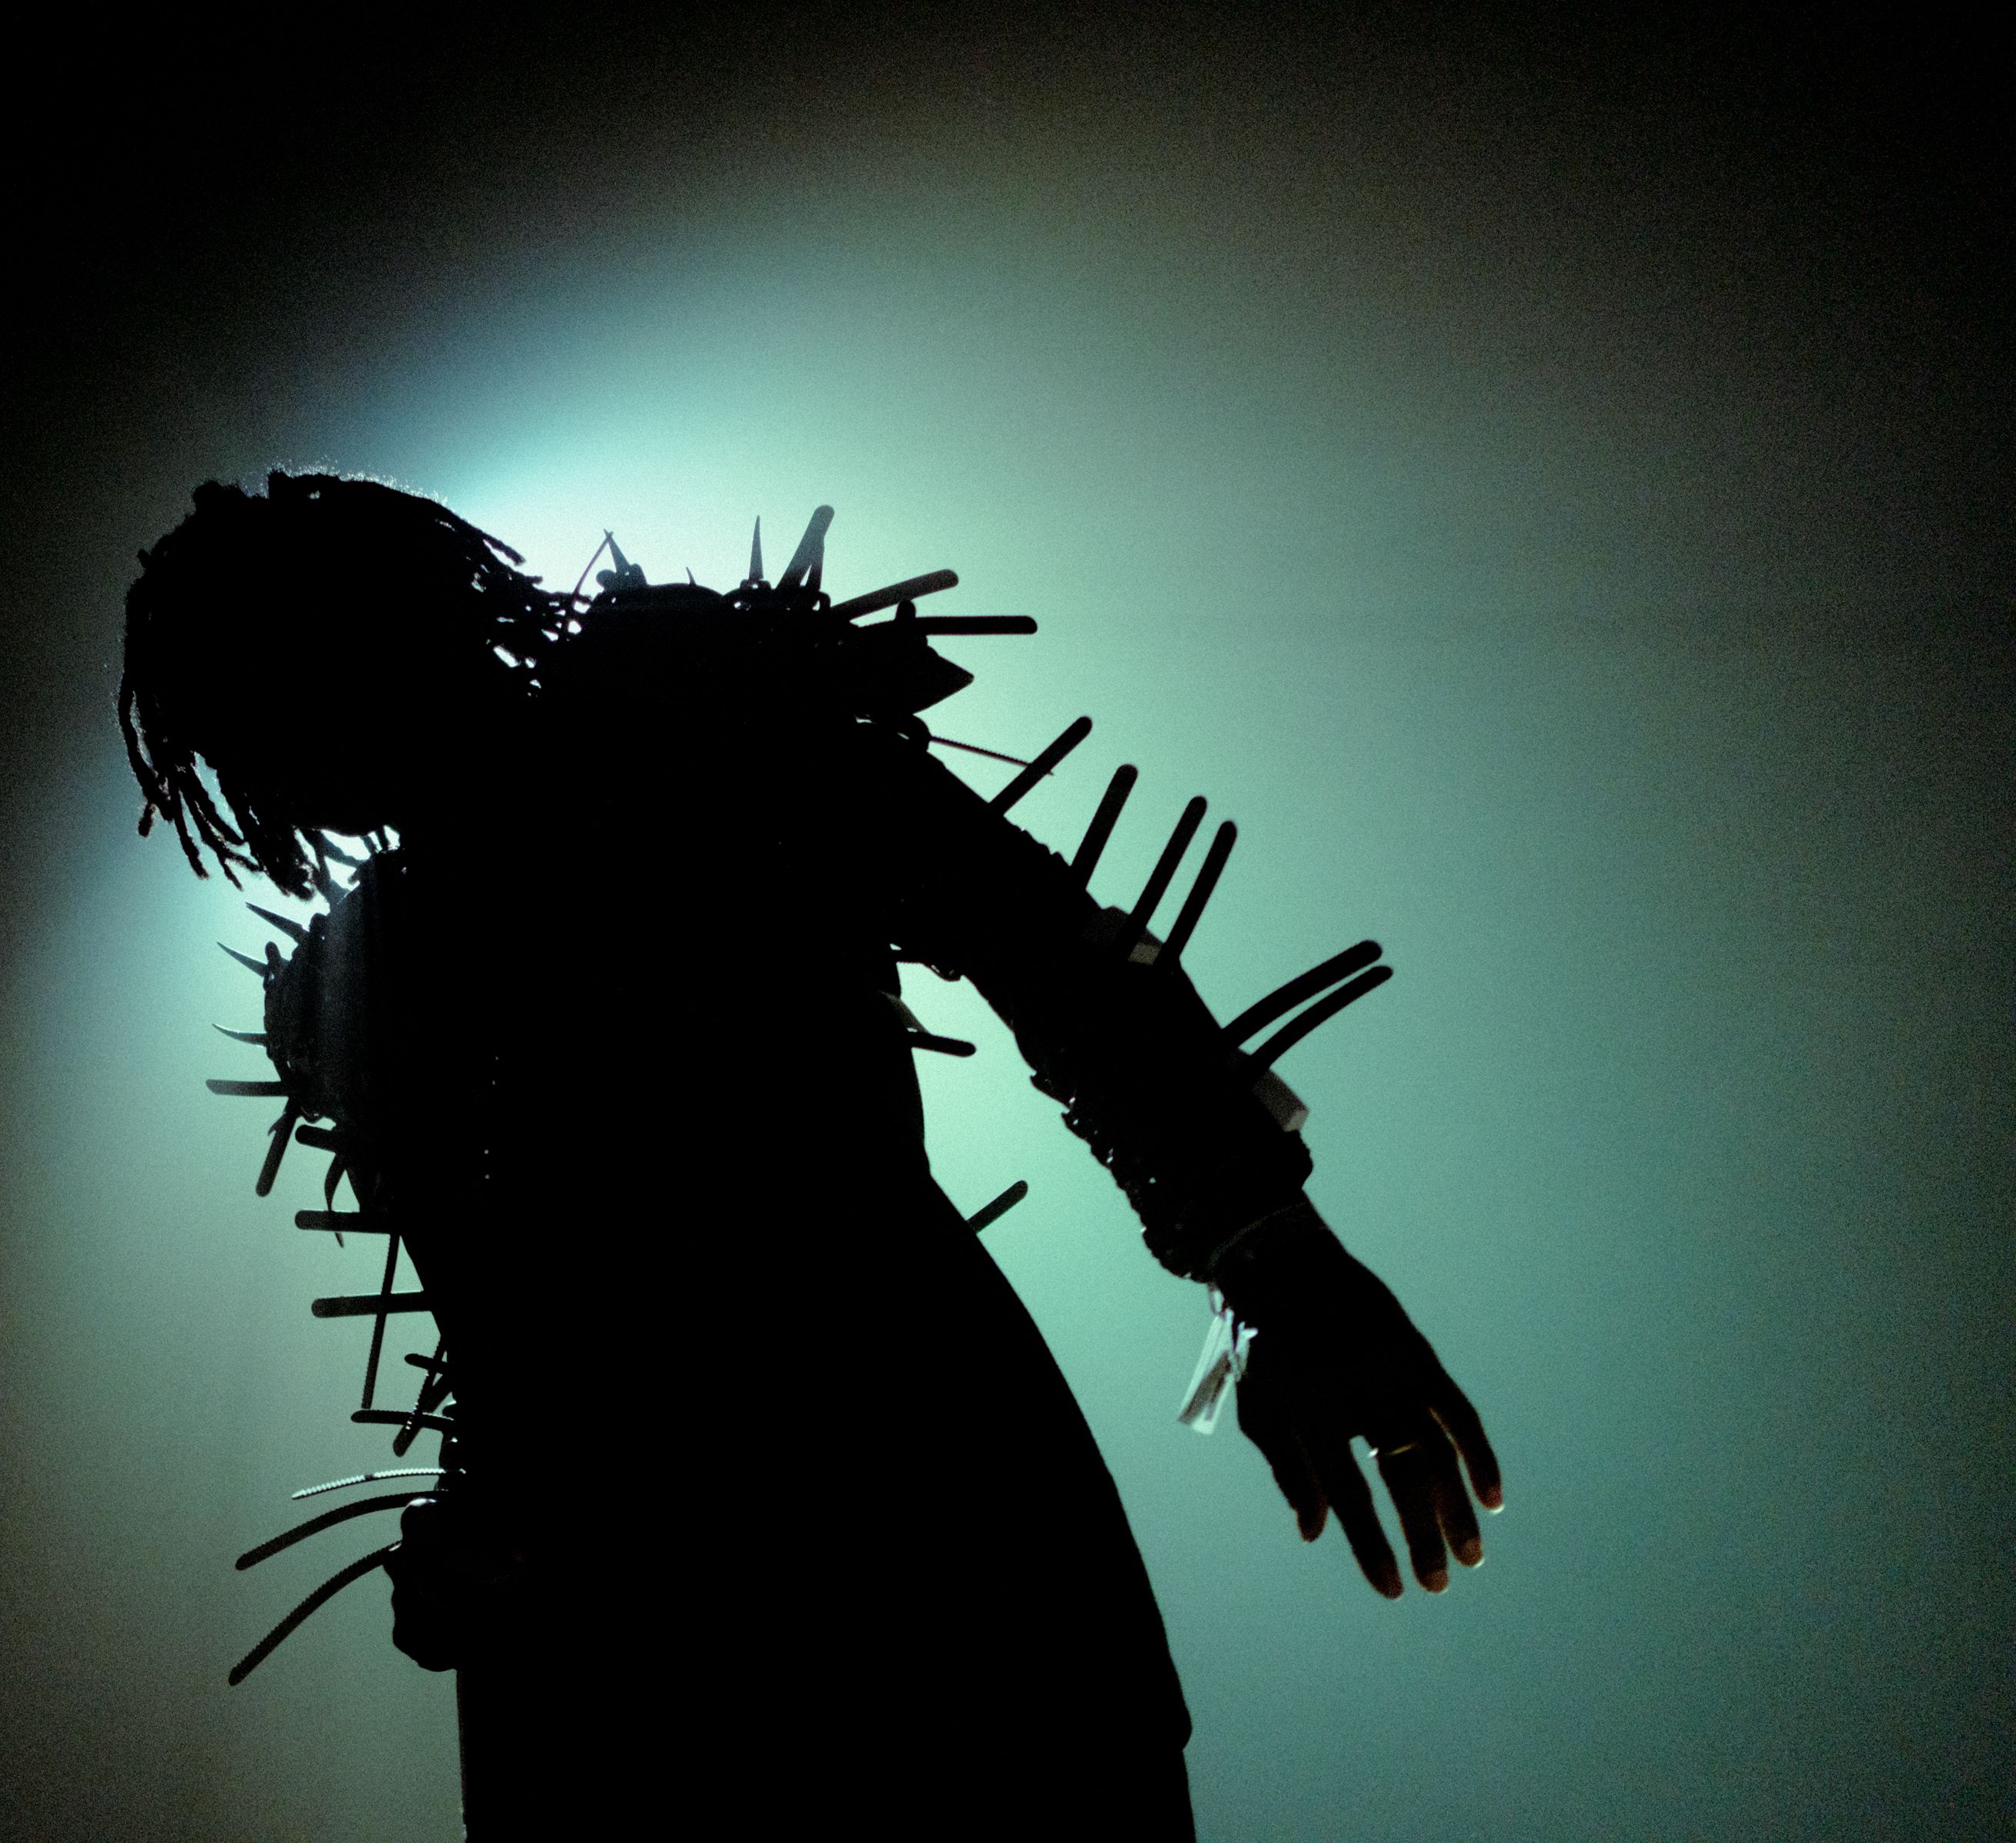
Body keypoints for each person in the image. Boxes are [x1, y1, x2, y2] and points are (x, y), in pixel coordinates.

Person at [121, 472, 1502, 1838]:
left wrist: (1274, 1259)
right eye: (251, 708)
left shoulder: (694, 725)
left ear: (428, 610)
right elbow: (497, 1325)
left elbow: (1042, 948)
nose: (306, 726)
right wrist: (486, 1539)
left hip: (921, 1516)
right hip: (630, 1661)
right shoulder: (358, 994)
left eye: (308, 657)